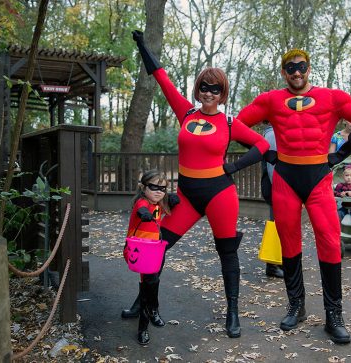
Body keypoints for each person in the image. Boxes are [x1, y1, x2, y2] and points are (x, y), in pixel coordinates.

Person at [132, 30, 270, 339]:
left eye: (215, 89)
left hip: (220, 194)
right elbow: (162, 78)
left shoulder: (230, 123)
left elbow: (261, 145)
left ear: (222, 93)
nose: (208, 93)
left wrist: (232, 166)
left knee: (227, 252)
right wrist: (143, 45)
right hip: (187, 196)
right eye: (204, 87)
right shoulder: (186, 113)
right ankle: (144, 302)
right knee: (156, 246)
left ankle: (232, 312)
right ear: (198, 89)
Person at [236, 48, 351, 344]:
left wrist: (340, 153)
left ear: (309, 68)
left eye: (301, 66)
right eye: (290, 67)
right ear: (283, 71)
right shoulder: (271, 99)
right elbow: (237, 125)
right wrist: (267, 151)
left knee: (329, 240)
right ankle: (296, 306)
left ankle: (333, 315)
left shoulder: (332, 97)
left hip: (318, 179)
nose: (296, 72)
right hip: (285, 178)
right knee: (289, 241)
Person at [122, 170, 179, 345]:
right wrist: (142, 214)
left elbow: (163, 207)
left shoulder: (159, 204)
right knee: (150, 285)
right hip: (139, 252)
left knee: (150, 283)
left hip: (154, 250)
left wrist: (172, 201)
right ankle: (144, 325)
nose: (158, 191)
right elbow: (141, 209)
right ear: (143, 187)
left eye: (162, 188)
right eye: (153, 187)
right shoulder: (142, 202)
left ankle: (142, 309)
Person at [261, 122, 284, 278]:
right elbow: (272, 166)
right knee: (277, 225)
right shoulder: (272, 134)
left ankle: (278, 262)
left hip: (276, 186)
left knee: (279, 224)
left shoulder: (272, 132)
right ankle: (273, 265)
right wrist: (279, 189)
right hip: (276, 187)